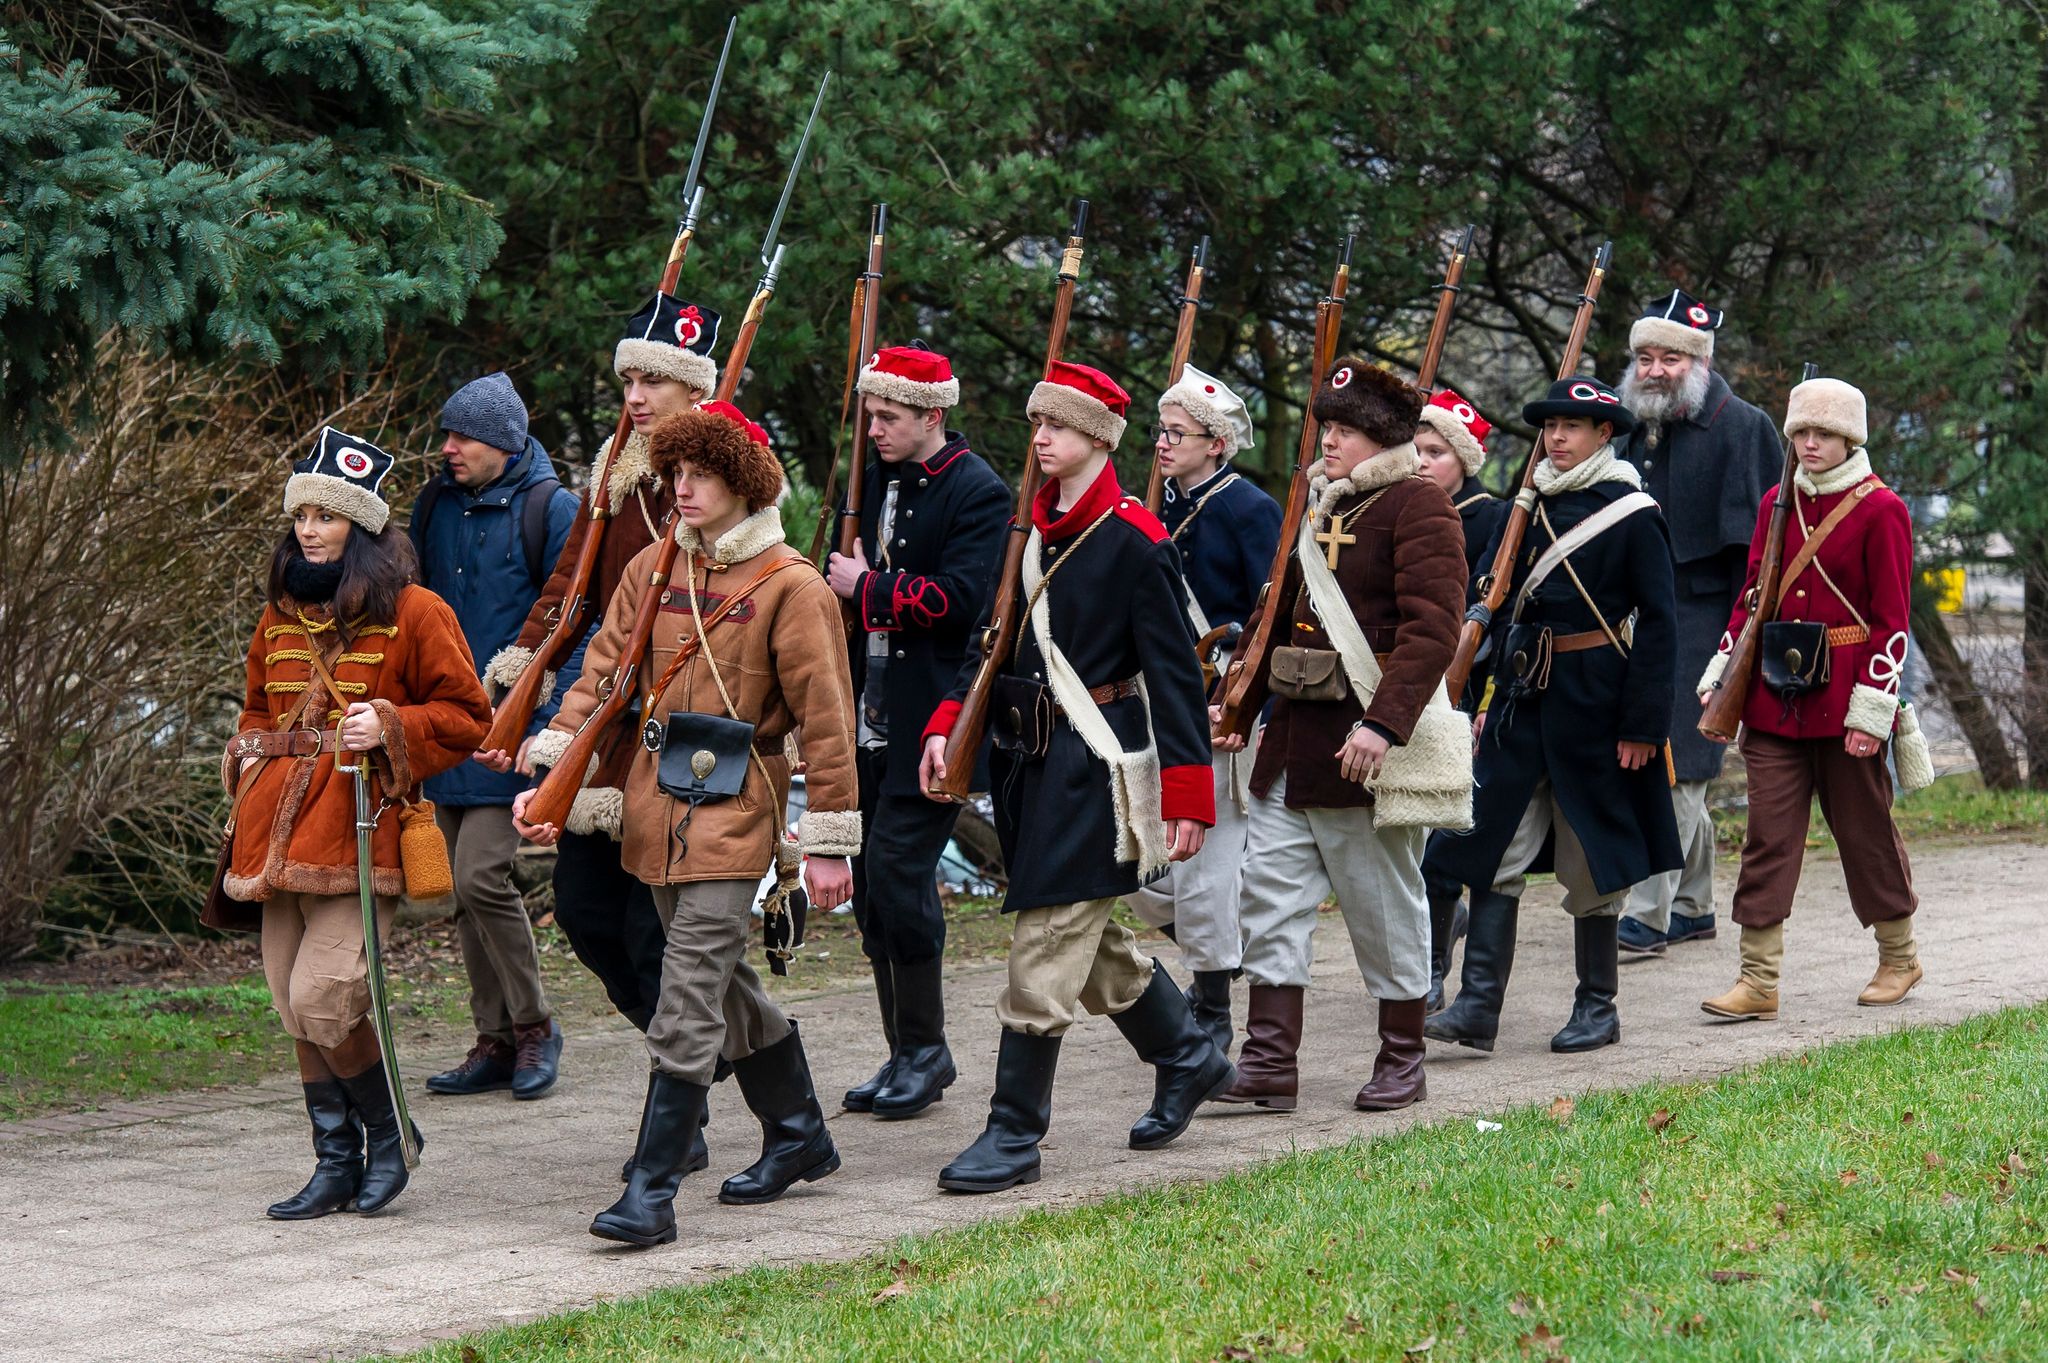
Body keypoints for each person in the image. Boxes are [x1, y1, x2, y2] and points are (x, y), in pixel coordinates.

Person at [515, 403, 861, 1247]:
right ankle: (800, 1131)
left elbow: (827, 720)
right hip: (652, 801)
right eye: (675, 473)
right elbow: (602, 670)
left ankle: (652, 1189)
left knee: (685, 993)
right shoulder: (653, 563)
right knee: (715, 978)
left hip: (742, 805)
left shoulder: (793, 585)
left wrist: (829, 842)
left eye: (700, 474)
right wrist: (554, 759)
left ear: (742, 482)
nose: (683, 488)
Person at [917, 361, 1229, 1194]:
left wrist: (1190, 796)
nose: (1041, 438)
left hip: (1096, 762)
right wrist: (948, 721)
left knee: (1047, 938)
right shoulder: (1032, 532)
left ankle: (1014, 1132)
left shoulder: (1135, 539)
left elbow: (1176, 678)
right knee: (1090, 942)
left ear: (1098, 436)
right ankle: (1188, 1052)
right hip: (1029, 762)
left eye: (1056, 425)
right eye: (1037, 424)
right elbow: (994, 645)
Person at [212, 427, 491, 1219]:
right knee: (290, 1000)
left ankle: (389, 1134)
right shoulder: (277, 615)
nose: (307, 528)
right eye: (300, 513)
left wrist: (391, 726)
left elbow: (469, 715)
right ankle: (334, 1160)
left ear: (361, 527)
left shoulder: (416, 610)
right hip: (273, 834)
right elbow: (258, 706)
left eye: (325, 516)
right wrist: (244, 749)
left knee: (325, 995)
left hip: (362, 831)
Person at [1211, 359, 1467, 1114]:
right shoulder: (1327, 503)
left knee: (1385, 908)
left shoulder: (1419, 506)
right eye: (1327, 427)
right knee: (1269, 902)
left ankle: (1402, 1058)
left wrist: (1384, 724)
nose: (1329, 441)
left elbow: (1433, 631)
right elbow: (1274, 619)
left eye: (1345, 430)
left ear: (1381, 438)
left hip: (1364, 751)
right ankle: (1268, 1064)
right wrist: (1238, 704)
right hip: (1292, 743)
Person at [483, 294, 718, 1068]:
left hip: (689, 724)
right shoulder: (614, 479)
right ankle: (706, 1055)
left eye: (655, 380)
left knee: (660, 936)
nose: (636, 397)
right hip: (611, 724)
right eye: (630, 380)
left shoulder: (722, 479)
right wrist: (522, 674)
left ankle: (690, 1094)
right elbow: (567, 591)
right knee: (586, 916)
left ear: (696, 391)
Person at [1424, 377, 1682, 1055]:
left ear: (1604, 434)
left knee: (1590, 861)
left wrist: (1642, 724)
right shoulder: (1525, 504)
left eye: (1573, 426)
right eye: (1551, 425)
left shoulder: (1633, 511)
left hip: (1597, 702)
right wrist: (1483, 699)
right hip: (1519, 700)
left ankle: (1598, 1007)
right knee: (1492, 849)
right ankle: (1478, 1006)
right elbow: (1495, 605)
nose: (1558, 436)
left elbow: (1659, 624)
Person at [1697, 377, 1931, 1020]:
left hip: (1848, 696)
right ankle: (1759, 980)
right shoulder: (1778, 500)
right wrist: (1722, 681)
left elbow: (1892, 622)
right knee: (1768, 839)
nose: (1808, 444)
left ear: (1849, 437)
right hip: (1775, 696)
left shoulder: (1883, 508)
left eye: (1822, 433)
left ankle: (1899, 956)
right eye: (1800, 432)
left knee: (1864, 833)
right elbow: (1751, 598)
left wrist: (1872, 710)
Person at [824, 344, 1009, 1120]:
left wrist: (868, 587)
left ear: (933, 415)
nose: (874, 427)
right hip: (865, 713)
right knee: (871, 889)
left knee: (899, 874)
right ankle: (903, 1049)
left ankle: (928, 1050)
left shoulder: (978, 491)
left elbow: (967, 599)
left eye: (890, 415)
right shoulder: (872, 483)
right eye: (871, 412)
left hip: (936, 719)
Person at [408, 372, 579, 1100]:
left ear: (504, 444)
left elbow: (577, 627)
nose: (448, 448)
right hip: (441, 729)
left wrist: (546, 732)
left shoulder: (553, 509)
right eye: (447, 433)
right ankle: (495, 1037)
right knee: (462, 890)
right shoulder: (434, 504)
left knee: (481, 875)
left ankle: (535, 1026)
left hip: (512, 735)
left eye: (462, 436)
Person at [1612, 291, 1782, 956]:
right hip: (1637, 614)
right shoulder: (1631, 425)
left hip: (1708, 616)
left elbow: (1765, 548)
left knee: (1675, 760)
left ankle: (1645, 913)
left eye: (1671, 358)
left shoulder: (1745, 426)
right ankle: (1691, 904)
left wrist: (1741, 639)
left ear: (1700, 362)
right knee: (1675, 763)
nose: (1655, 370)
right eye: (1646, 357)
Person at [1122, 364, 1281, 1054]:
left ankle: (1212, 1008)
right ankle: (1231, 948)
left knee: (1208, 868)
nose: (1162, 443)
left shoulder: (1249, 508)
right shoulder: (1158, 508)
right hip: (1158, 700)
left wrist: (1250, 704)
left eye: (1177, 433)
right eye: (1161, 430)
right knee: (1139, 869)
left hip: (1221, 705)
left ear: (1215, 443)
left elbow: (1273, 616)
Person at [1412, 387, 1507, 1013]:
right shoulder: (1400, 508)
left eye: (1436, 452)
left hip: (1463, 692)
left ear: (1464, 460)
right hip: (1402, 684)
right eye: (1416, 449)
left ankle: (1432, 970)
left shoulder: (1493, 520)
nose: (1422, 462)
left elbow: (1496, 615)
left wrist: (1484, 702)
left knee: (1443, 836)